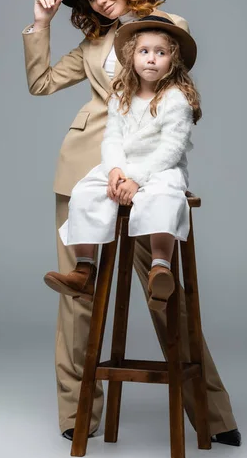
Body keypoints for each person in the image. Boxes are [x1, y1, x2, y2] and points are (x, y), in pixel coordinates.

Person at [22, 0, 241, 446]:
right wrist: (42, 25)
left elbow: (177, 97)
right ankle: (77, 413)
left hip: (147, 173)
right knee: (79, 299)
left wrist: (136, 172)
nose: (101, 0)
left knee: (166, 294)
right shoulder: (92, 46)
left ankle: (211, 413)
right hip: (87, 172)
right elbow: (40, 83)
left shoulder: (169, 29)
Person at [44, 16, 200, 311]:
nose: (151, 59)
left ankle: (160, 268)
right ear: (131, 56)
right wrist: (115, 169)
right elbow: (112, 138)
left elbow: (171, 149)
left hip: (159, 168)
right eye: (144, 51)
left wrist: (136, 179)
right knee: (85, 192)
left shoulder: (175, 99)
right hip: (123, 165)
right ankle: (84, 270)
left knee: (164, 196)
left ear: (172, 61)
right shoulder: (121, 96)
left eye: (160, 53)